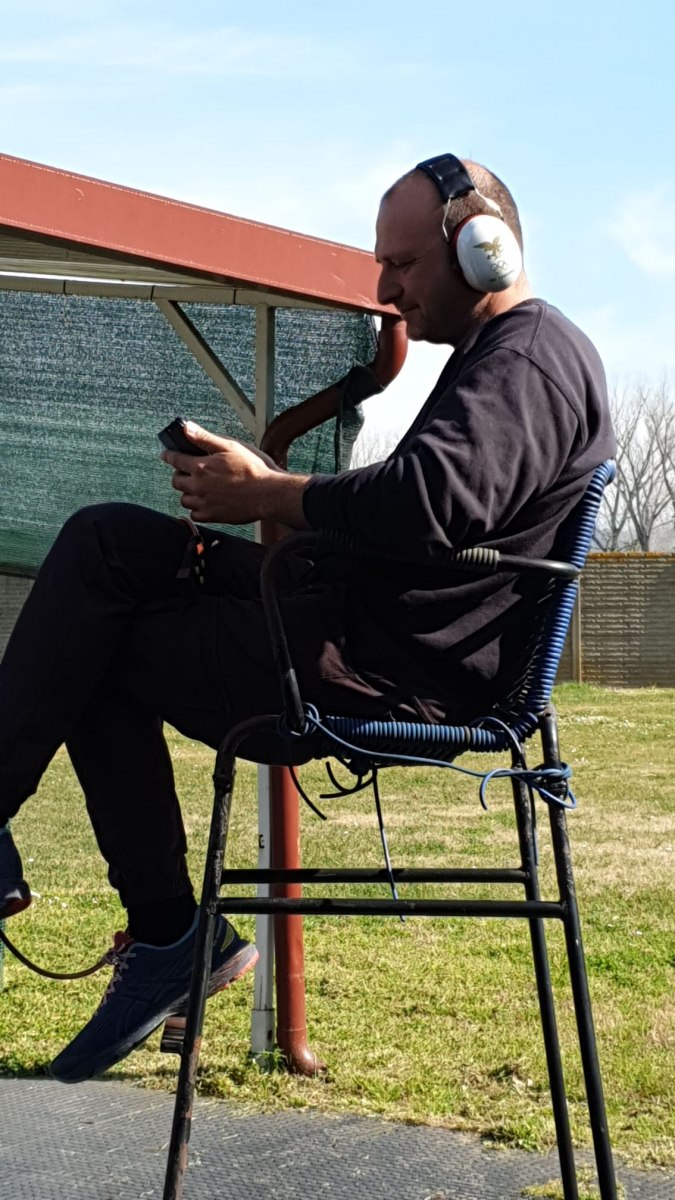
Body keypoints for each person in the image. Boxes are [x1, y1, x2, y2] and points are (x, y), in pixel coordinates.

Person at [0, 153, 615, 1084]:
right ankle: (160, 934)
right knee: (105, 542)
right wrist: (262, 490)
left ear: (482, 249)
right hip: (336, 618)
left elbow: (432, 503)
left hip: (371, 670)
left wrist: (268, 493)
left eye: (402, 265)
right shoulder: (509, 357)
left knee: (98, 644)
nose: (386, 290)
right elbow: (422, 511)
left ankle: (168, 934)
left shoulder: (529, 359)